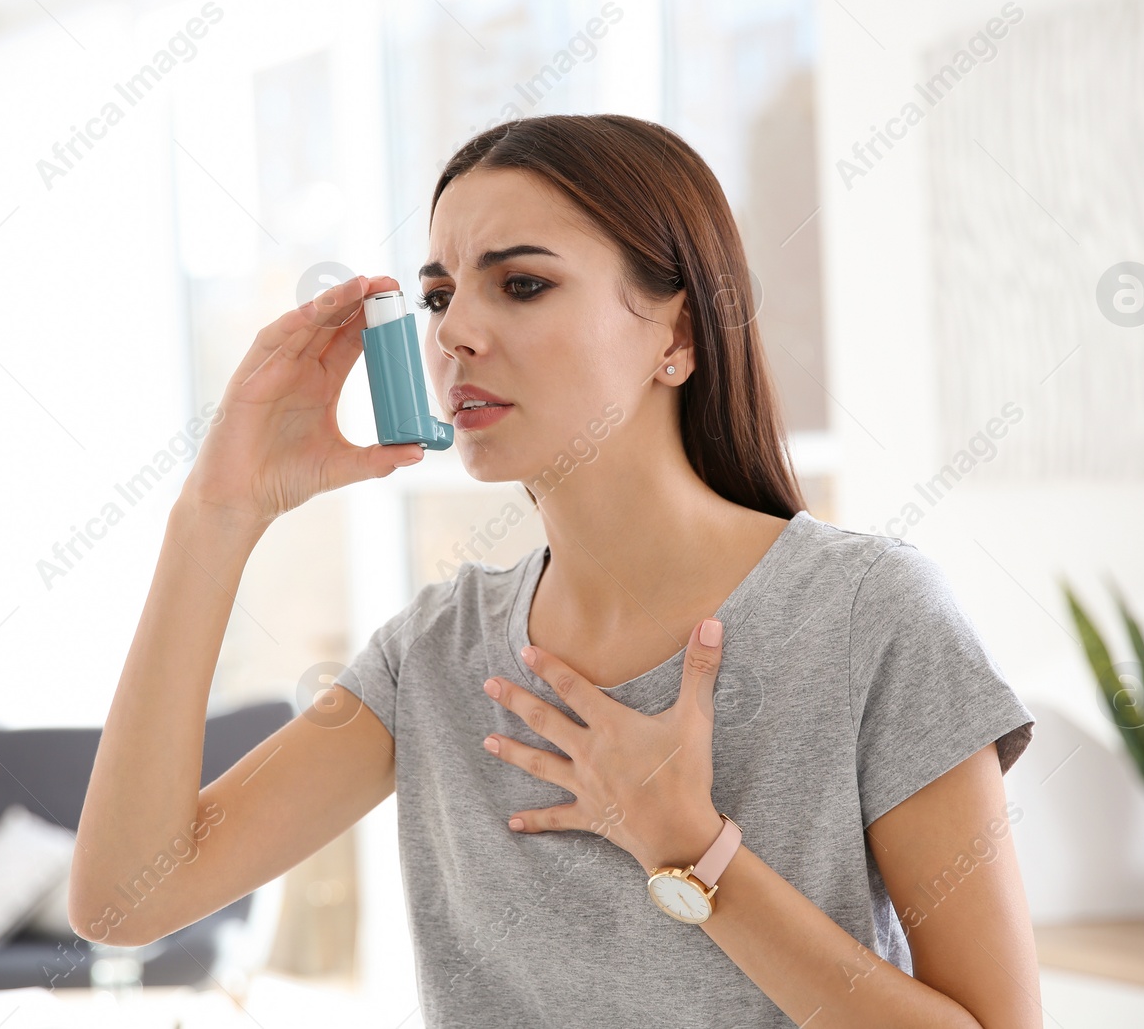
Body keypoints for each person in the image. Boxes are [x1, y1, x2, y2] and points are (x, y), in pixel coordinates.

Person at [70, 113, 1040, 1028]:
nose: (451, 332)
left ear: (679, 335)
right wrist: (216, 514)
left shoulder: (868, 615)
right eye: (441, 294)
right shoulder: (436, 655)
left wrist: (691, 851)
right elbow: (125, 897)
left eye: (521, 284)